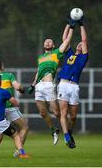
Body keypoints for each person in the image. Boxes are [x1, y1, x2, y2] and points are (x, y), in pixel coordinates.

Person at [27, 19, 75, 145]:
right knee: (42, 113)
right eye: (46, 41)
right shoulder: (40, 58)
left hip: (49, 86)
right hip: (39, 86)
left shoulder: (56, 53)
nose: (48, 42)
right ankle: (54, 130)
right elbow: (38, 72)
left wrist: (71, 26)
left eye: (50, 41)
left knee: (56, 113)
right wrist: (33, 85)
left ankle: (67, 132)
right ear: (44, 45)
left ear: (53, 46)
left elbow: (67, 40)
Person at [57, 17, 88, 148]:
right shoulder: (69, 54)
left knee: (73, 116)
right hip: (63, 84)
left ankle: (70, 131)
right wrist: (69, 25)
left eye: (82, 44)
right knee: (63, 113)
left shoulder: (83, 57)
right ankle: (66, 137)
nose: (80, 44)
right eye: (79, 44)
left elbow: (84, 39)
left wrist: (81, 25)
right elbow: (65, 39)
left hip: (74, 87)